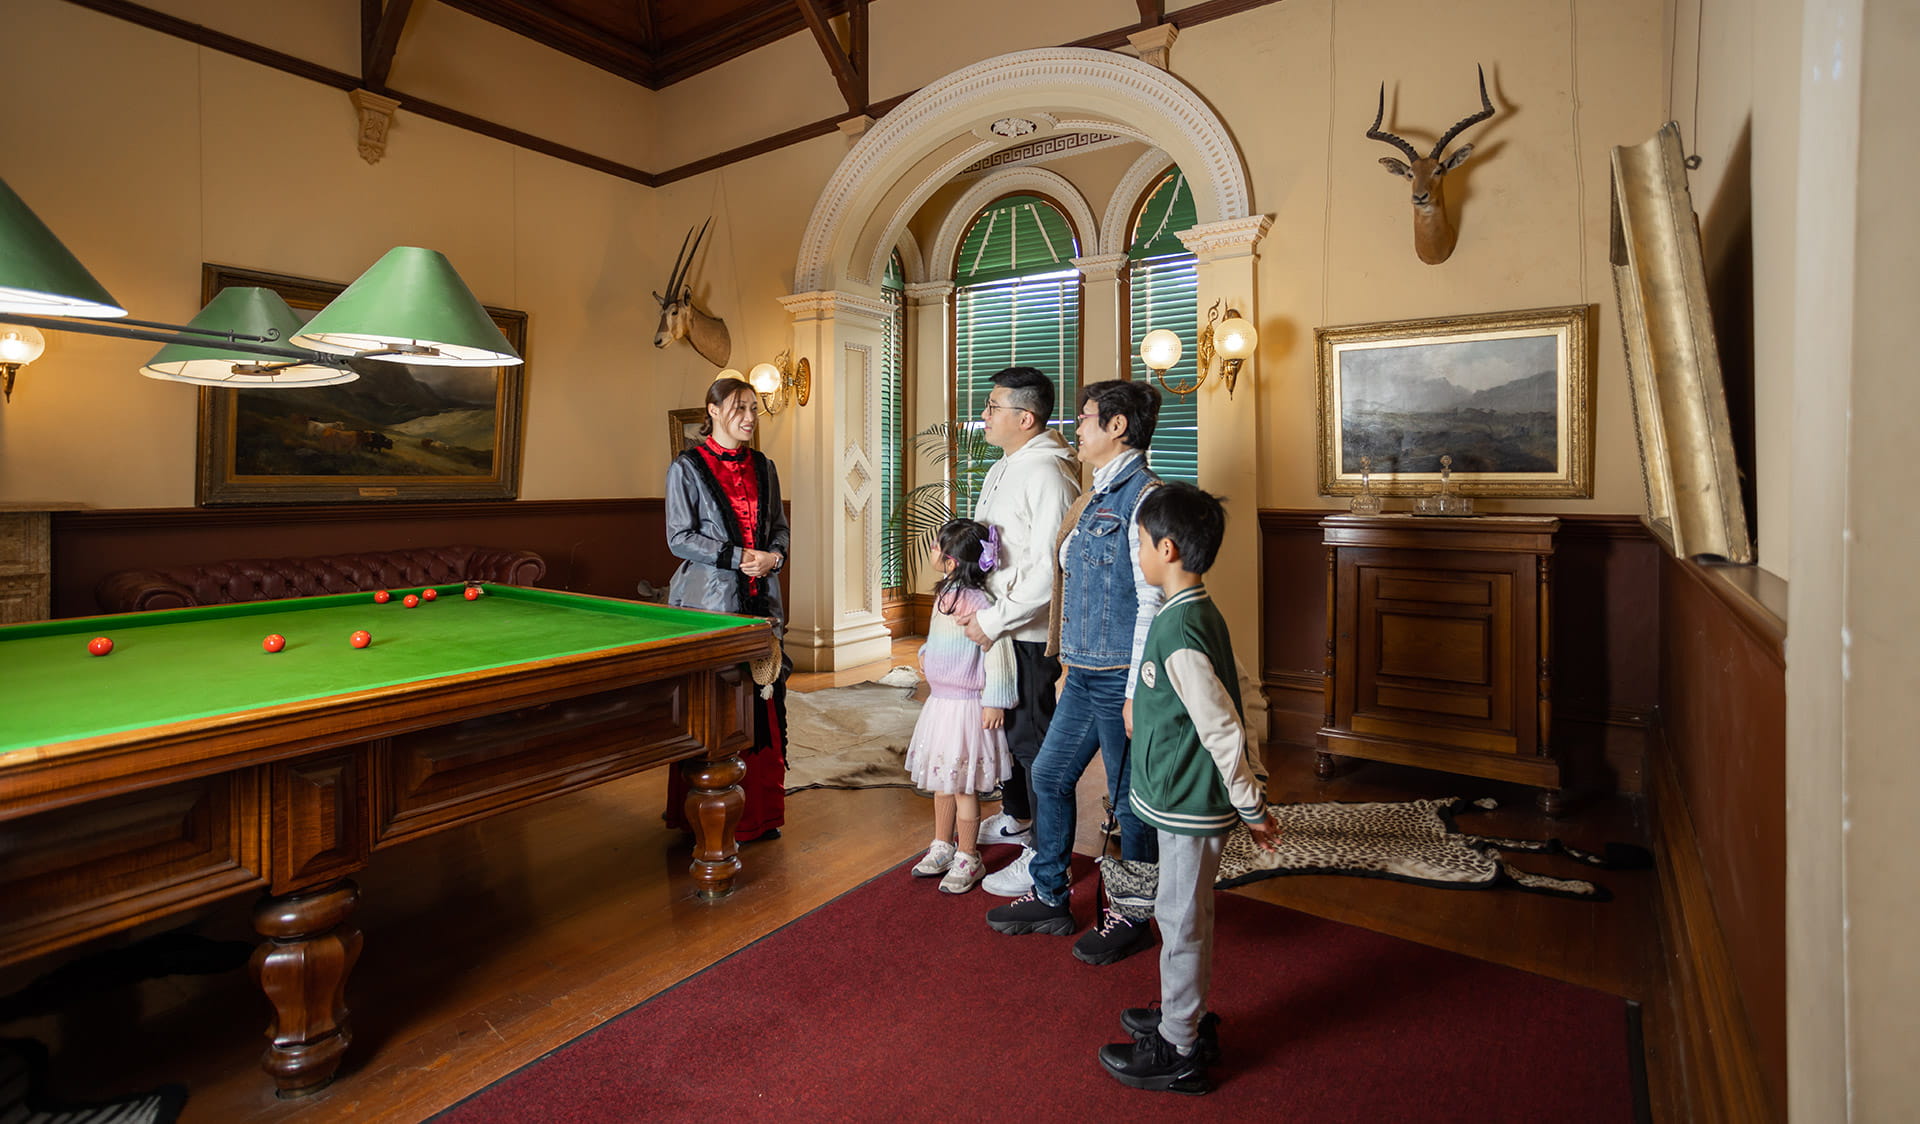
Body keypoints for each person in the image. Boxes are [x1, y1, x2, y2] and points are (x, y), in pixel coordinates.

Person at [1098, 482, 1278, 1094]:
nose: (1136, 555)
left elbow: (1222, 725)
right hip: (1177, 797)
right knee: (1182, 916)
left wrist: (1251, 803)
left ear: (1167, 548)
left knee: (1180, 919)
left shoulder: (1181, 631)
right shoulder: (1190, 610)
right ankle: (1182, 1015)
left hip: (1190, 805)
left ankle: (1179, 1047)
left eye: (1139, 544)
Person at [984, 379, 1166, 967]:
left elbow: (1151, 602)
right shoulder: (1091, 496)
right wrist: (1065, 660)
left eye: (1087, 419)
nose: (1076, 428)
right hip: (1085, 673)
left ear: (1117, 428)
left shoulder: (1146, 498)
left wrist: (1140, 688)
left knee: (1128, 801)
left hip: (1122, 677)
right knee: (1051, 777)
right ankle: (1051, 895)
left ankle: (1132, 915)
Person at [954, 368, 1080, 850]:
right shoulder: (1002, 465)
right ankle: (1018, 817)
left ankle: (1047, 849)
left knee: (1031, 736)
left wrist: (993, 620)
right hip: (994, 623)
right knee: (1003, 730)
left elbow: (1050, 570)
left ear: (1025, 417)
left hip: (1023, 631)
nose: (982, 416)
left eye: (992, 407)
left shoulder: (1047, 474)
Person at [662, 376, 791, 843]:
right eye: (739, 409)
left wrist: (774, 556)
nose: (750, 418)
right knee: (715, 705)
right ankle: (705, 816)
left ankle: (760, 813)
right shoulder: (687, 467)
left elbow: (778, 527)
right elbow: (679, 538)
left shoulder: (765, 466)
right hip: (710, 604)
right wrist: (740, 557)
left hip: (762, 600)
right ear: (713, 411)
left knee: (763, 693)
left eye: (754, 409)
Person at [904, 518, 1017, 894]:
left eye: (937, 546)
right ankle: (942, 844)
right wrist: (925, 654)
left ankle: (970, 855)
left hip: (968, 707)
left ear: (951, 561)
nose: (932, 551)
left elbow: (998, 653)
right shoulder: (944, 596)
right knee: (941, 780)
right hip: (941, 703)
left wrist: (996, 700)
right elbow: (937, 637)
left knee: (964, 785)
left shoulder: (980, 603)